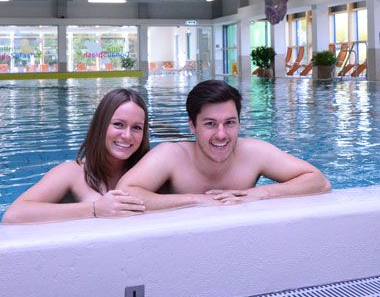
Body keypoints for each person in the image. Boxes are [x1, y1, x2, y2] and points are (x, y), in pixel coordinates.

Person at [116, 80, 331, 210]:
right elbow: (124, 192)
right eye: (210, 124)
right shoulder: (172, 155)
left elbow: (319, 181)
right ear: (192, 126)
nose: (221, 134)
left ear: (239, 123)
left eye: (229, 123)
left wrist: (258, 194)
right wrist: (196, 200)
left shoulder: (254, 152)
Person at [2, 88, 149, 223]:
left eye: (137, 127)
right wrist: (95, 209)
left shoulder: (148, 173)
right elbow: (13, 214)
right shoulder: (72, 172)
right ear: (101, 125)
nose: (127, 135)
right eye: (118, 124)